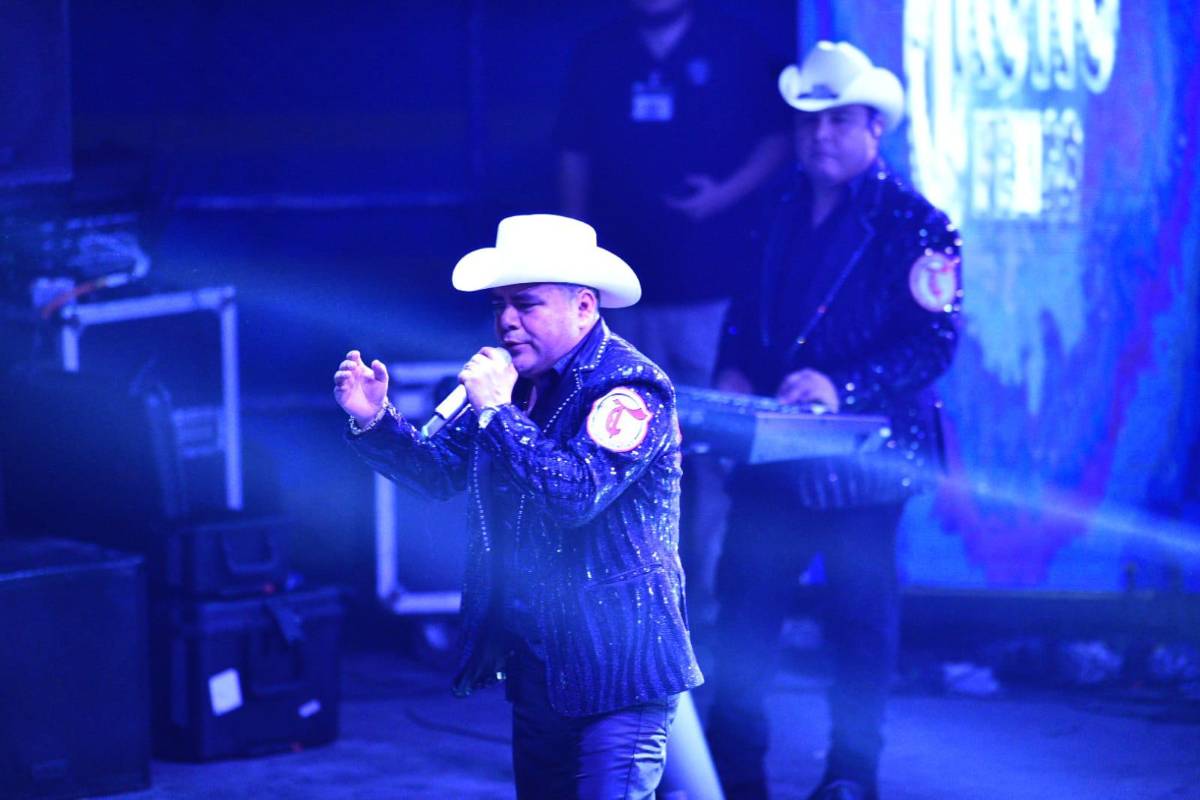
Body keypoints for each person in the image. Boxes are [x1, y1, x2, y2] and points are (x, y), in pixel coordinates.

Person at [333, 213, 703, 799]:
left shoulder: (630, 388)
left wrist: (498, 412)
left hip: (623, 666)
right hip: (540, 661)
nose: (507, 321)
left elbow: (575, 495)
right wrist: (374, 419)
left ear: (584, 306)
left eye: (526, 305)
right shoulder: (517, 384)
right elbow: (437, 474)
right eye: (501, 305)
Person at [703, 42, 963, 800]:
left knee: (861, 627)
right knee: (745, 609)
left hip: (865, 463)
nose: (820, 135)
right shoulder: (776, 203)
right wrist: (732, 367)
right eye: (809, 120)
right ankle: (736, 770)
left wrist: (841, 386)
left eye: (838, 120)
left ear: (873, 128)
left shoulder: (918, 223)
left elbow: (935, 340)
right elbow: (746, 309)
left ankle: (852, 776)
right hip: (772, 452)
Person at [556, 0, 791, 626]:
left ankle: (704, 600)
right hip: (620, 297)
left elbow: (778, 140)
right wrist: (581, 254)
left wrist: (722, 197)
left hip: (713, 291)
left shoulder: (735, 44)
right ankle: (627, 594)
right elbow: (572, 155)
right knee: (612, 439)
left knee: (707, 451)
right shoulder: (600, 50)